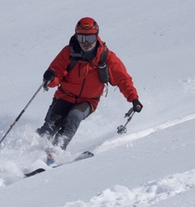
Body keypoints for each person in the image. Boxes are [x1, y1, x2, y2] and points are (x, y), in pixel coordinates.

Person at [36, 17, 143, 151]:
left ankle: (55, 151)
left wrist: (133, 98)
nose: (86, 43)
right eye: (81, 38)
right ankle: (31, 151)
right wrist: (50, 78)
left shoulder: (106, 57)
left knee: (74, 117)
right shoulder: (68, 52)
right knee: (49, 127)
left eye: (90, 38)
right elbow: (56, 74)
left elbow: (123, 79)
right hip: (64, 96)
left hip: (88, 101)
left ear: (96, 36)